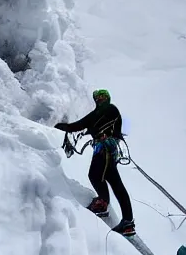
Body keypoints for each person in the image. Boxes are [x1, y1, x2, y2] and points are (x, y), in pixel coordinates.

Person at [54, 89, 135, 236]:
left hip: (105, 149)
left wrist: (66, 127)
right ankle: (127, 222)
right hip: (109, 151)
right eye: (98, 97)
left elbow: (84, 123)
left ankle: (103, 204)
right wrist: (77, 128)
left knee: (95, 175)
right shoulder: (102, 115)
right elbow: (84, 125)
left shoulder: (110, 109)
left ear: (108, 99)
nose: (100, 99)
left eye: (103, 96)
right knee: (115, 183)